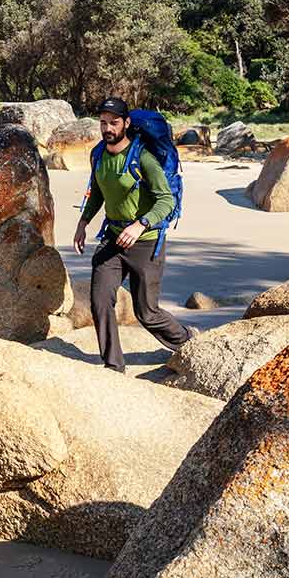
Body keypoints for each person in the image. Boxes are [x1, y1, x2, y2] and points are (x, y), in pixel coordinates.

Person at [72, 96, 192, 372]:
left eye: (113, 123)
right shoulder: (99, 154)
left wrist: (141, 225)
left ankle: (187, 342)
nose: (107, 128)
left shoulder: (144, 158)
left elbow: (166, 201)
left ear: (126, 123)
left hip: (145, 244)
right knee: (100, 300)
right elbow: (98, 191)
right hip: (113, 239)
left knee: (147, 312)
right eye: (103, 123)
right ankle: (113, 366)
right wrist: (83, 222)